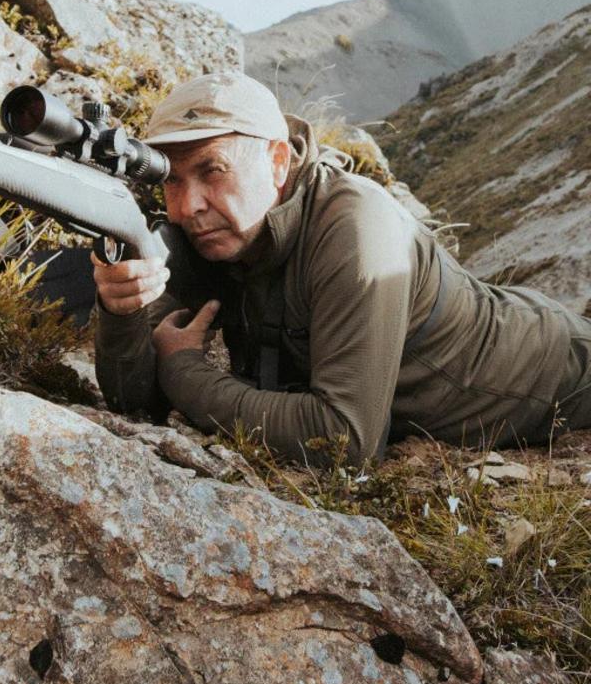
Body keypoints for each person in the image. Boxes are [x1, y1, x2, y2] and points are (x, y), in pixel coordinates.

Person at [93, 71, 591, 464]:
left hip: (562, 370)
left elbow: (345, 439)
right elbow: (132, 401)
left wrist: (185, 371)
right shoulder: (211, 232)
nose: (188, 206)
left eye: (212, 170)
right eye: (172, 180)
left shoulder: (355, 227)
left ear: (278, 161)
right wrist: (120, 313)